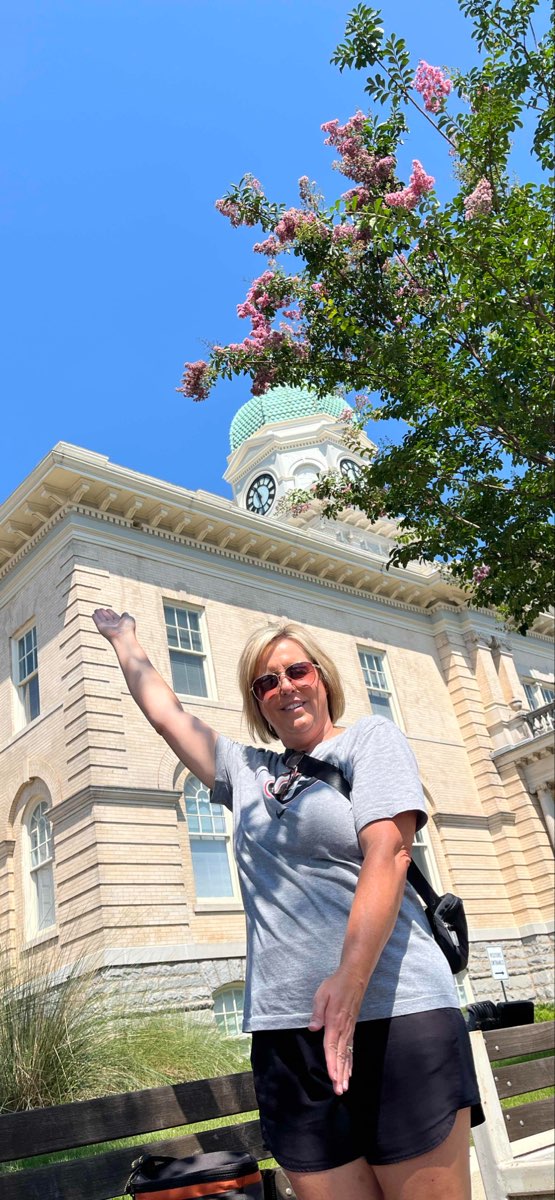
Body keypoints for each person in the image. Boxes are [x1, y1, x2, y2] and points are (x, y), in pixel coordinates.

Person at [92, 608, 483, 1200]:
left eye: (297, 671)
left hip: (396, 1015)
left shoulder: (369, 741)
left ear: (321, 677)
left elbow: (390, 853)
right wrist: (125, 641)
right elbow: (167, 715)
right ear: (258, 702)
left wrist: (349, 980)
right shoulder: (244, 771)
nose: (285, 687)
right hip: (287, 1032)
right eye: (266, 681)